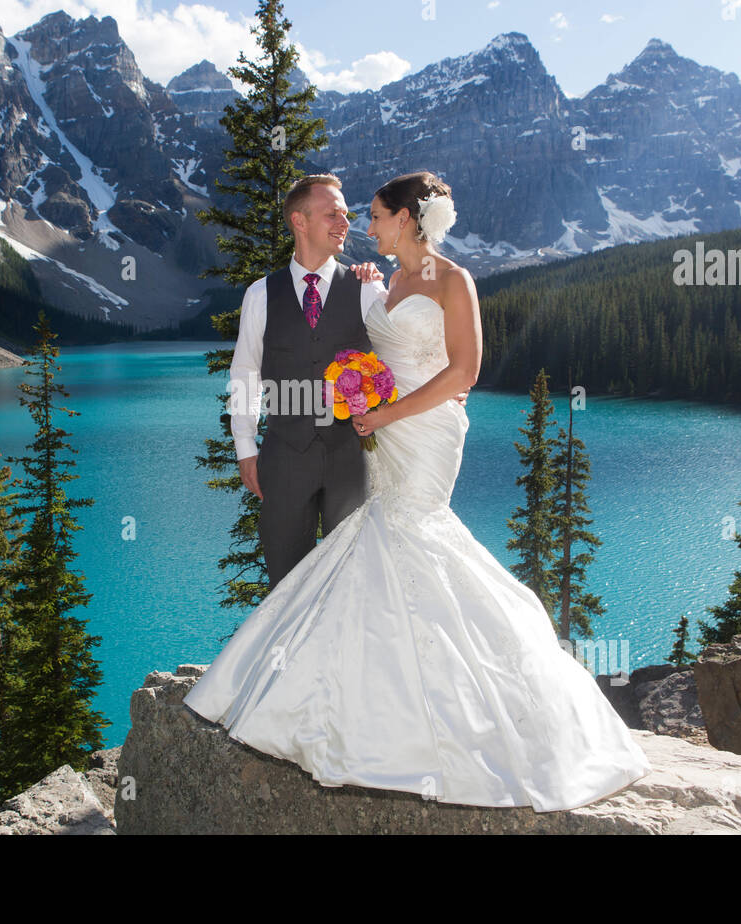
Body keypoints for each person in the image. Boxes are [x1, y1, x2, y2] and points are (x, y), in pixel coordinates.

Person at [184, 170, 652, 811]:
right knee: (359, 565)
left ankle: (449, 720)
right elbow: (275, 367)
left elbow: (464, 370)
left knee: (414, 539)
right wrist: (254, 446)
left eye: (370, 215)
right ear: (301, 219)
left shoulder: (430, 282)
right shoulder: (363, 285)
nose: (358, 225)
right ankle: (356, 703)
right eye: (344, 214)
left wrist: (384, 413)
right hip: (349, 444)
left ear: (407, 218)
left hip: (415, 435)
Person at [228, 173, 465, 589]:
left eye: (346, 214)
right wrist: (245, 447)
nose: (346, 223)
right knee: (285, 584)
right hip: (284, 458)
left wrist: (450, 388)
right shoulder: (260, 295)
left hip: (353, 460)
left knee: (354, 584)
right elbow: (246, 373)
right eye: (332, 214)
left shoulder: (369, 288)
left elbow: (406, 344)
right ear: (299, 221)